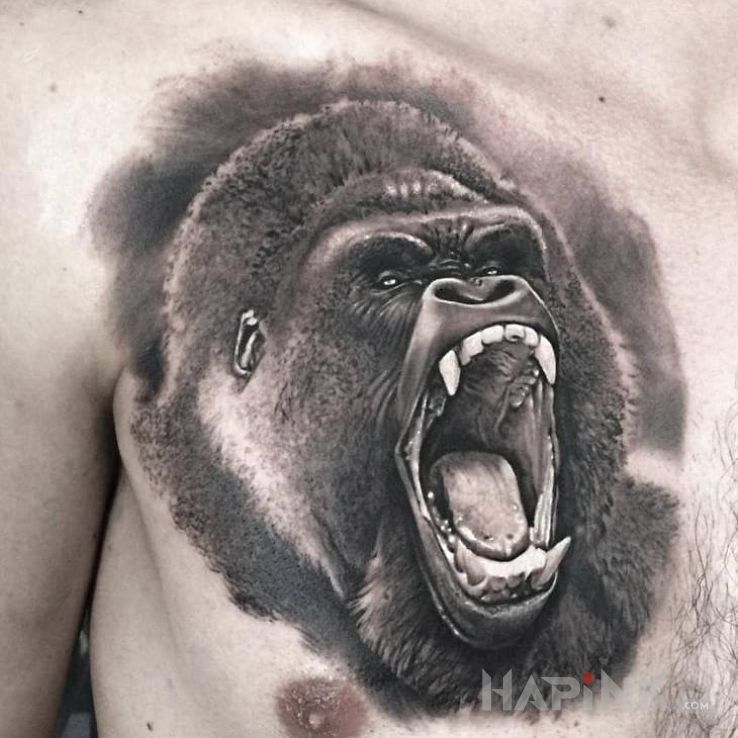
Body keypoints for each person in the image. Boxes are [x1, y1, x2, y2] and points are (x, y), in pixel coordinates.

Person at [2, 2, 737, 737]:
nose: (475, 293)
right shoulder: (77, 86)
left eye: (500, 260)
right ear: (250, 352)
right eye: (386, 277)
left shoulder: (637, 543)